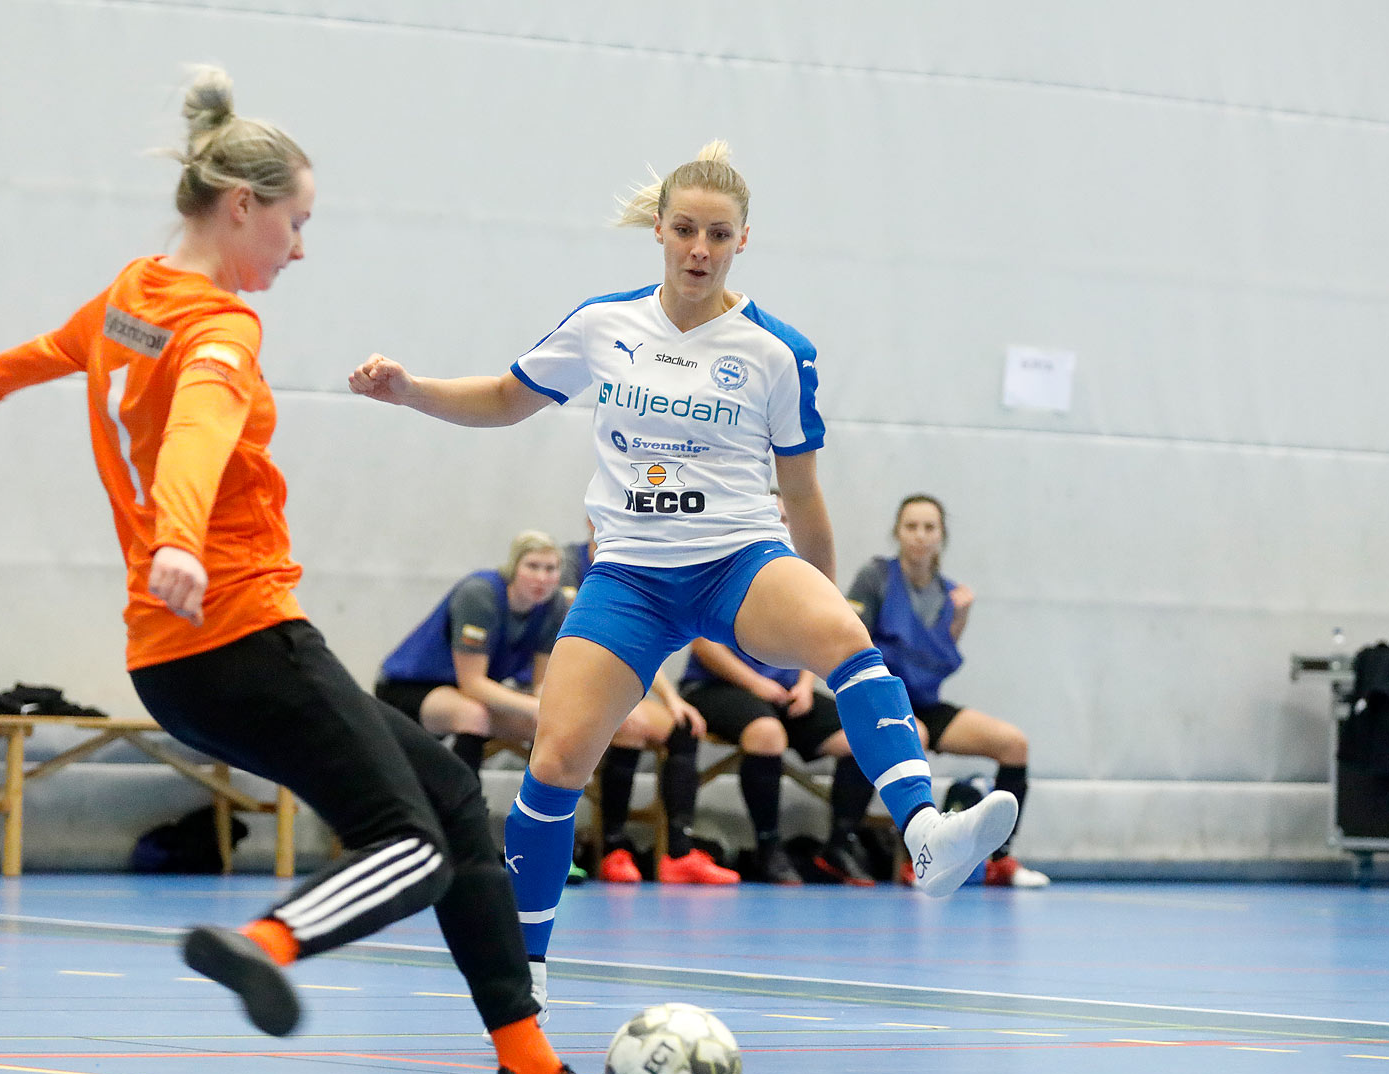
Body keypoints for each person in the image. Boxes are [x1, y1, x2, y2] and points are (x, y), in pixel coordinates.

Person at [0, 67, 620, 1074]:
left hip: (171, 664)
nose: (301, 248)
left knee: (450, 804)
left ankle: (530, 1072)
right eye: (296, 223)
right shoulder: (218, 330)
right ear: (241, 207)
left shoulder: (130, 299)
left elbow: (56, 351)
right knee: (414, 847)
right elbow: (202, 432)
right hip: (243, 634)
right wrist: (180, 540)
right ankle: (267, 944)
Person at [349, 140, 1018, 1013]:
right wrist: (410, 390)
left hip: (740, 558)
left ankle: (924, 835)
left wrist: (816, 594)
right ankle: (523, 971)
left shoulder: (779, 351)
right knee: (556, 759)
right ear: (659, 231)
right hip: (629, 576)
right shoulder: (604, 325)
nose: (700, 248)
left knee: (848, 638)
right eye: (685, 230)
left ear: (745, 240)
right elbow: (508, 398)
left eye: (719, 234)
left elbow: (801, 490)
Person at [849, 495, 1049, 888]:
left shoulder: (953, 596)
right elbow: (851, 640)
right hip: (882, 700)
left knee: (1014, 744)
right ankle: (915, 857)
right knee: (915, 735)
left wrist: (960, 619)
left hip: (925, 703)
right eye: (911, 527)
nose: (920, 536)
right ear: (897, 532)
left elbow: (938, 658)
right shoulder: (875, 578)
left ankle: (999, 859)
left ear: (942, 537)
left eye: (929, 528)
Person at [559, 525, 732, 885]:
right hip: (572, 680)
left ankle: (679, 852)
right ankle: (611, 847)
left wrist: (673, 700)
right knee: (627, 725)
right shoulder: (567, 568)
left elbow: (641, 642)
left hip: (618, 678)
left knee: (682, 726)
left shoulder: (639, 560)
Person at [679, 637, 877, 885]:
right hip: (714, 685)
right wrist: (755, 683)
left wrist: (805, 686)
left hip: (784, 692)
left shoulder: (807, 597)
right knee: (767, 733)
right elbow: (703, 646)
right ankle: (768, 846)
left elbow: (812, 637)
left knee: (863, 737)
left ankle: (840, 846)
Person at [374, 530, 570, 776]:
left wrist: (549, 709)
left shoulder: (554, 605)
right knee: (473, 716)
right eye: (532, 566)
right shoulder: (480, 595)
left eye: (550, 569)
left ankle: (540, 809)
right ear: (513, 568)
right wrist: (535, 707)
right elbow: (472, 684)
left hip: (471, 691)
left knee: (545, 724)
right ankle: (466, 809)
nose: (542, 578)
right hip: (411, 686)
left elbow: (541, 682)